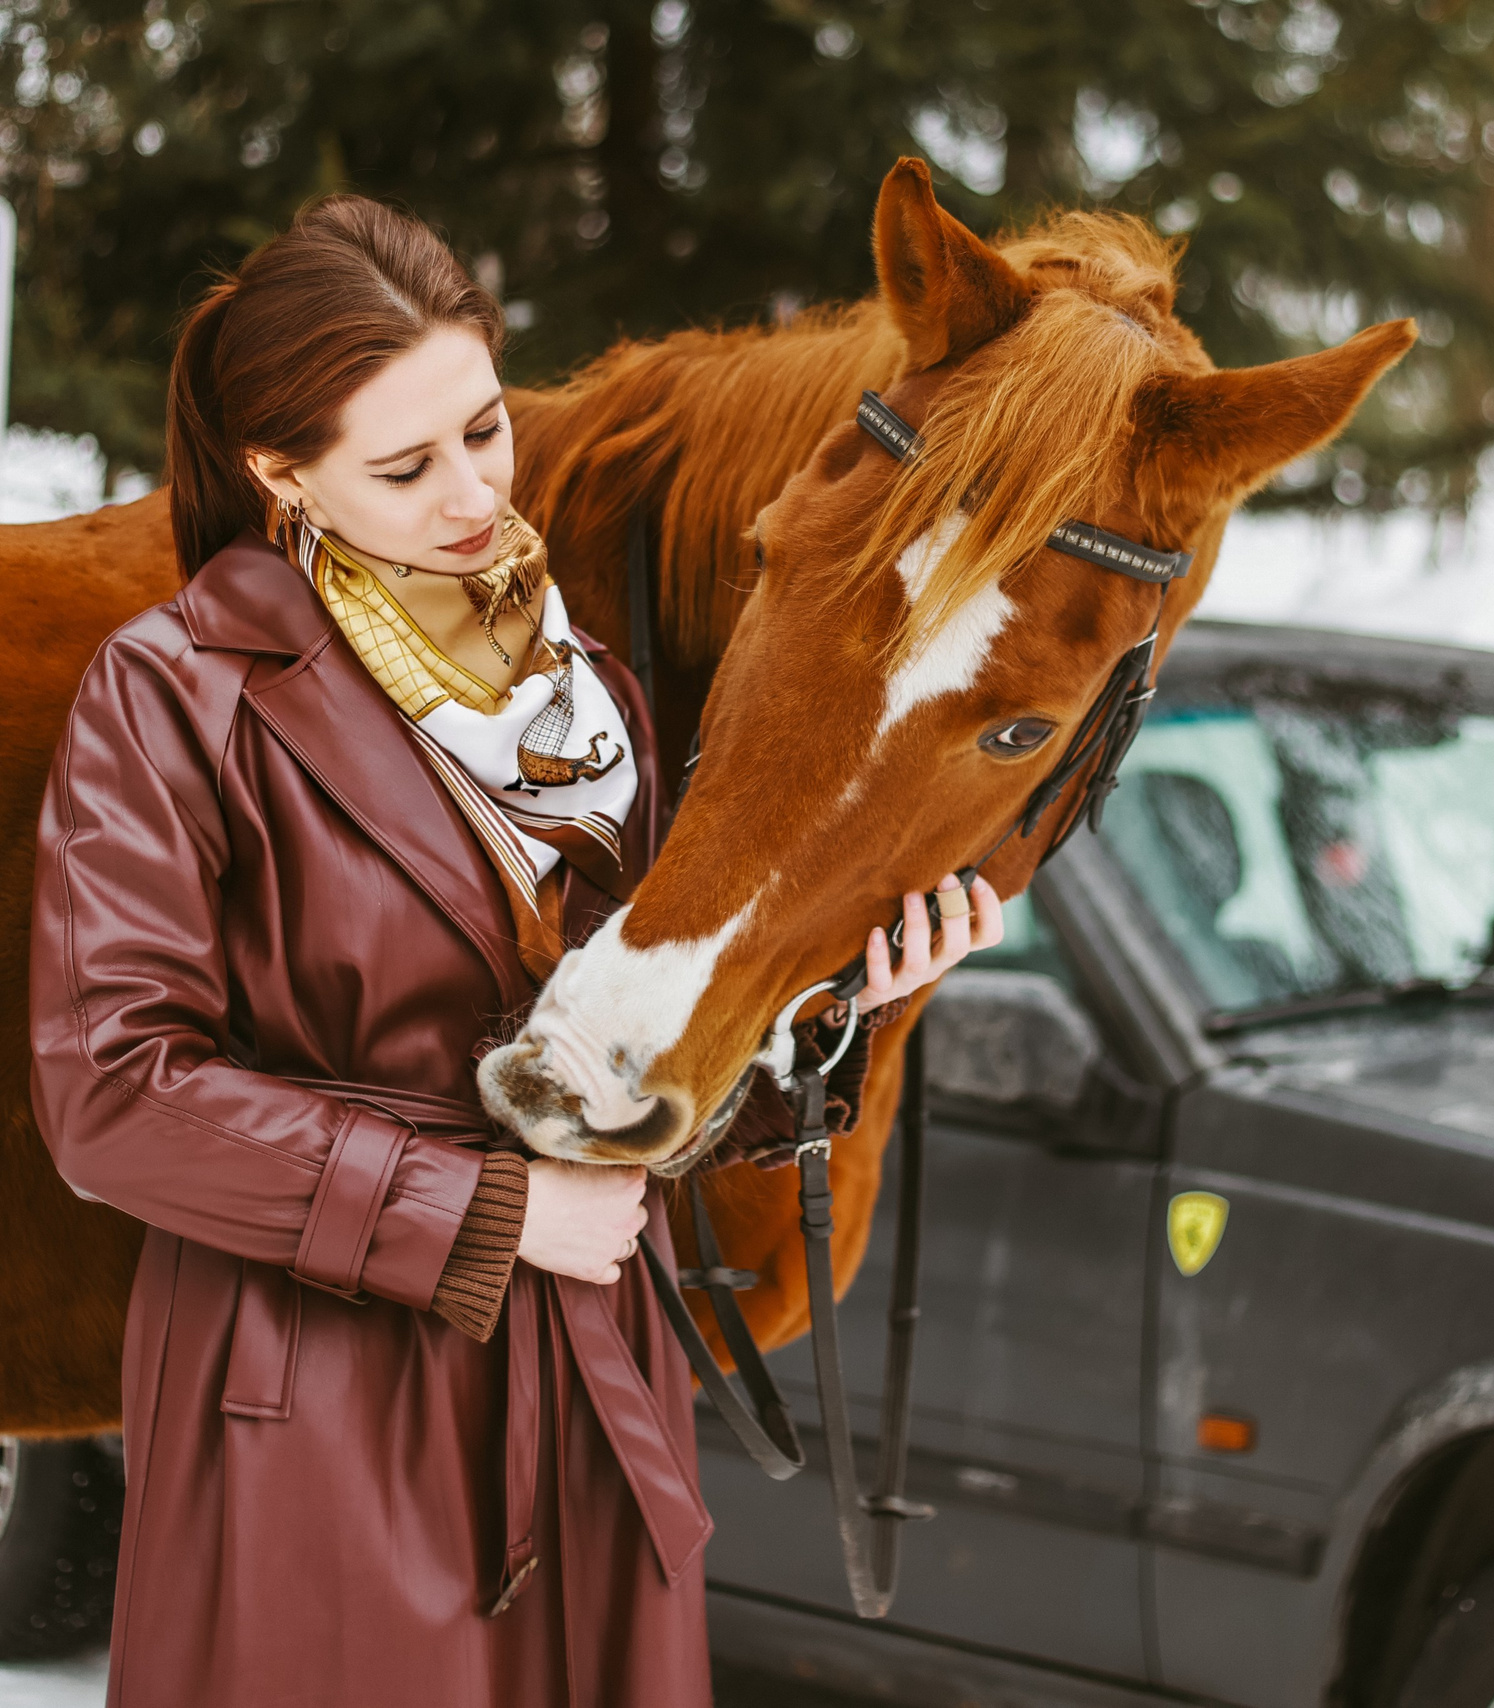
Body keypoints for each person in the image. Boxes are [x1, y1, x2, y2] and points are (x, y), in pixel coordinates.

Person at [26, 194, 1000, 1706]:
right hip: (326, 1405)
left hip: (586, 1388)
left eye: (486, 428)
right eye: (407, 466)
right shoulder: (175, 697)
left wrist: (826, 1018)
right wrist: (485, 1216)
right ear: (281, 474)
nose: (477, 493)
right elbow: (116, 1100)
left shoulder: (583, 687)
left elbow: (609, 1057)